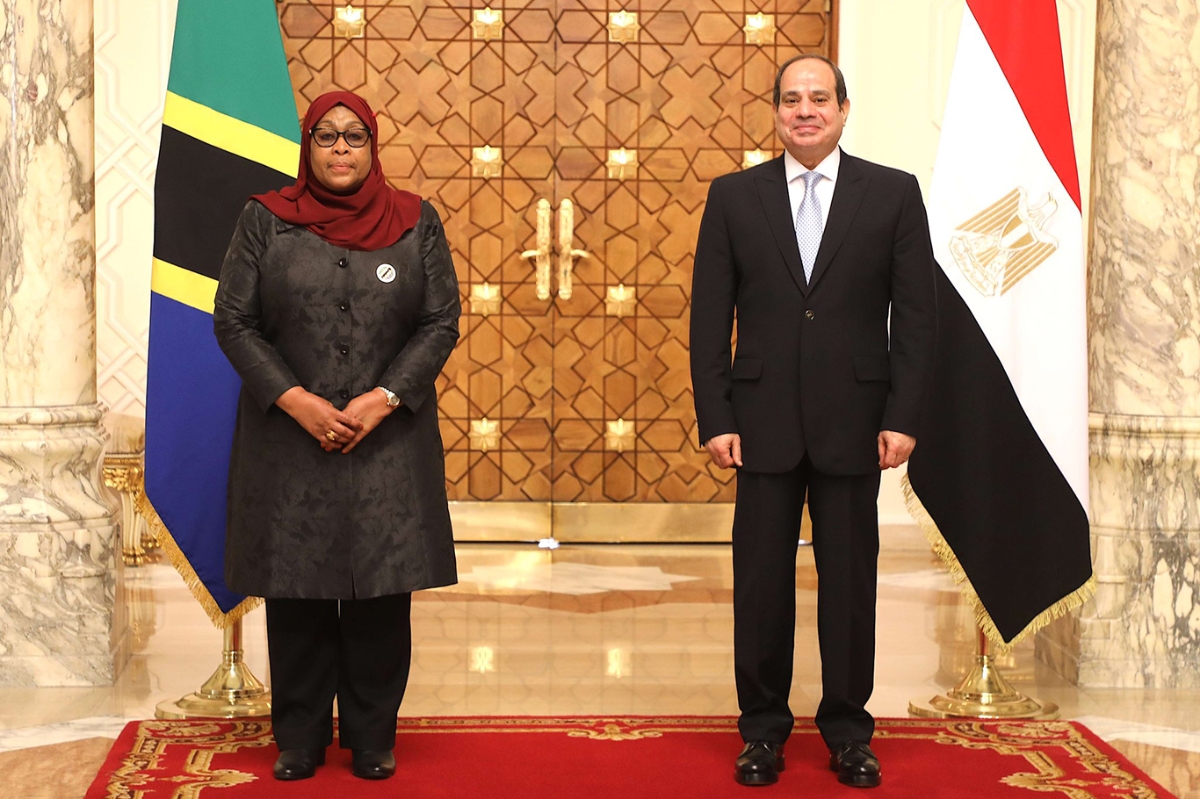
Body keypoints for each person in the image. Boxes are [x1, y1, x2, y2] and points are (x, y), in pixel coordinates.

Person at [690, 55, 936, 788]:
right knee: (761, 585)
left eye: (819, 98)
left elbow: (915, 319)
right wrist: (715, 415)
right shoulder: (733, 196)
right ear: (776, 112)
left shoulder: (892, 194)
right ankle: (762, 731)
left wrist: (904, 415)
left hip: (857, 424)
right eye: (792, 99)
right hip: (758, 424)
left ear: (843, 109)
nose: (805, 111)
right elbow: (709, 319)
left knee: (850, 586)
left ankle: (849, 732)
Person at [213, 90, 460, 782]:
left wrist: (383, 399)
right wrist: (298, 401)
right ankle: (299, 737)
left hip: (389, 440)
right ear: (308, 146)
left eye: (355, 136)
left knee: (381, 593)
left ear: (373, 147)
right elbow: (234, 319)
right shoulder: (264, 220)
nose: (342, 148)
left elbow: (440, 320)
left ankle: (373, 736)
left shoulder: (415, 221)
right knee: (297, 591)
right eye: (327, 136)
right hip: (290, 440)